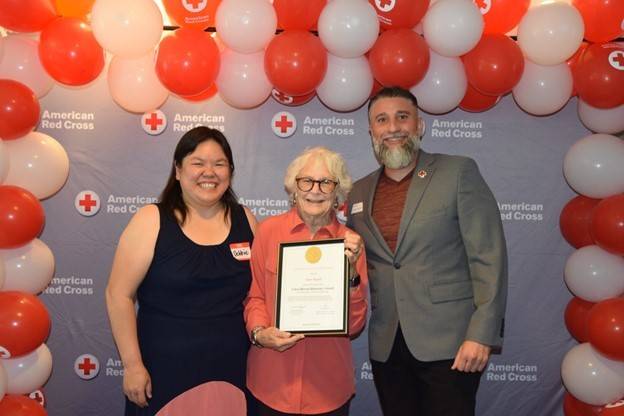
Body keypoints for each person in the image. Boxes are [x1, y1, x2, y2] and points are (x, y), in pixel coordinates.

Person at [347, 87, 508, 416]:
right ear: (371, 132)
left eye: (402, 117)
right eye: (382, 119)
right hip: (387, 346)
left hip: (452, 343)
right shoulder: (358, 191)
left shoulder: (457, 172)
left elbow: (489, 257)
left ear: (419, 125)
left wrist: (482, 334)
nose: (392, 127)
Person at [106, 126, 258, 415]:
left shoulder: (246, 220)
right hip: (163, 371)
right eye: (197, 163)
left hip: (232, 368)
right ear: (178, 171)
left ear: (230, 172)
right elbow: (118, 295)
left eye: (219, 163)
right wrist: (133, 365)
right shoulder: (151, 219)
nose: (209, 172)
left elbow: (262, 290)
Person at [244, 147, 368, 416]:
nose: (315, 190)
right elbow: (255, 297)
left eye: (326, 182)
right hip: (270, 382)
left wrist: (351, 275)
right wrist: (259, 333)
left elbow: (356, 324)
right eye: (307, 181)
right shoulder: (268, 232)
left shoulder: (351, 244)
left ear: (338, 193)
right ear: (294, 188)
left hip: (327, 388)